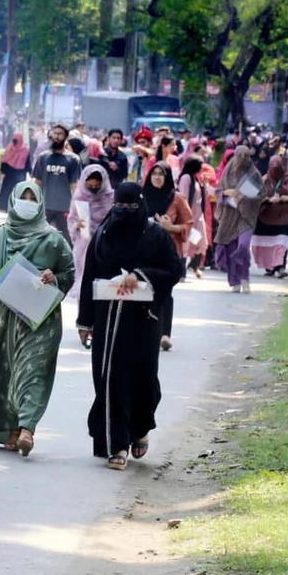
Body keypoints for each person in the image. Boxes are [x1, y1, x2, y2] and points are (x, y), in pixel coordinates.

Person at [78, 183, 182, 470]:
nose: (124, 212)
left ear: (141, 205)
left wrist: (141, 275)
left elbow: (175, 270)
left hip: (143, 322)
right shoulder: (103, 234)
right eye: (119, 206)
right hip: (108, 321)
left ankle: (140, 428)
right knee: (111, 381)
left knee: (144, 380)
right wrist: (85, 321)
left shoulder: (156, 236)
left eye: (131, 207)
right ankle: (118, 444)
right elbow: (89, 277)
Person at [0, 182, 75, 456]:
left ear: (41, 203)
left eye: (33, 198)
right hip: (4, 318)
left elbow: (68, 273)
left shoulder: (53, 240)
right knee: (4, 370)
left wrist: (53, 278)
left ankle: (27, 427)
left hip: (39, 319)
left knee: (33, 369)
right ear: (13, 201)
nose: (28, 202)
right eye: (24, 197)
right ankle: (10, 428)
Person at [142, 163, 192, 351]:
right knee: (145, 291)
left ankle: (165, 334)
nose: (157, 177)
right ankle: (147, 332)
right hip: (145, 250)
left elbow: (189, 223)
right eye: (154, 173)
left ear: (167, 177)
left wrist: (171, 227)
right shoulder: (142, 196)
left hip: (168, 251)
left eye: (161, 174)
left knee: (165, 291)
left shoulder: (176, 198)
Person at [214, 146, 264, 293]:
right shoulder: (227, 173)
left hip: (246, 216)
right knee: (230, 247)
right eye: (239, 155)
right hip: (229, 216)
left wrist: (246, 197)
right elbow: (218, 192)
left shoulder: (254, 174)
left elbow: (262, 194)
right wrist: (226, 192)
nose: (242, 159)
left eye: (245, 156)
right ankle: (234, 280)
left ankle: (244, 277)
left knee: (243, 245)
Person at [66, 165, 114, 299]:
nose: (94, 188)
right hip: (84, 246)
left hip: (105, 245)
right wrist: (77, 225)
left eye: (97, 185)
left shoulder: (111, 197)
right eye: (90, 185)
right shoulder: (79, 197)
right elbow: (71, 219)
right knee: (84, 285)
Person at [32, 125, 82, 243]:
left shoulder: (73, 159)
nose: (56, 137)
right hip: (45, 208)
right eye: (54, 133)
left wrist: (79, 211)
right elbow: (36, 183)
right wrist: (32, 204)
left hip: (64, 208)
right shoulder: (43, 157)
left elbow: (75, 186)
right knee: (38, 241)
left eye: (60, 134)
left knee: (66, 242)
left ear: (66, 137)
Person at [252, 156, 288, 280]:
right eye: (273, 167)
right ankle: (270, 267)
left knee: (282, 243)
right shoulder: (263, 180)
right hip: (265, 218)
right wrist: (267, 200)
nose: (275, 170)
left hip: (284, 218)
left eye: (278, 167)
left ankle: (280, 267)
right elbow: (251, 197)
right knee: (266, 245)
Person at [178, 157, 211, 279]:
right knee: (185, 245)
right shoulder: (186, 178)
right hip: (188, 218)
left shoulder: (196, 178)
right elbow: (183, 197)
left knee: (202, 243)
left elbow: (203, 197)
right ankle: (181, 272)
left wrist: (204, 185)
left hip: (198, 217)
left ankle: (193, 265)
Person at [0, 131, 29, 211]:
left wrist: (3, 171)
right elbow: (5, 160)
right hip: (16, 173)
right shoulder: (18, 149)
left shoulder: (23, 150)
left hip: (14, 173)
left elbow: (4, 161)